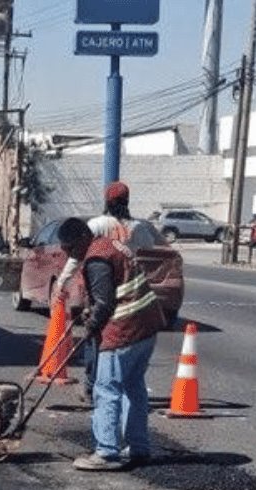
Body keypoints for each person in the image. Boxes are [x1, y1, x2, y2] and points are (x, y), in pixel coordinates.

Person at [57, 216, 164, 471]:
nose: (70, 255)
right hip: (147, 326)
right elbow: (109, 293)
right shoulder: (110, 245)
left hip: (124, 329)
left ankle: (106, 452)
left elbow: (104, 303)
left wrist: (91, 326)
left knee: (106, 388)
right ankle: (139, 448)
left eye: (70, 249)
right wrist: (90, 312)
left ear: (83, 239)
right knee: (133, 386)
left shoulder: (96, 259)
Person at [54, 181, 165, 403]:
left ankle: (92, 388)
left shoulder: (96, 228)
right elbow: (152, 250)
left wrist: (62, 284)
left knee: (99, 347)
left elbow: (81, 262)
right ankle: (133, 435)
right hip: (132, 293)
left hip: (116, 304)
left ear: (107, 201)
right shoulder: (138, 228)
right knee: (132, 384)